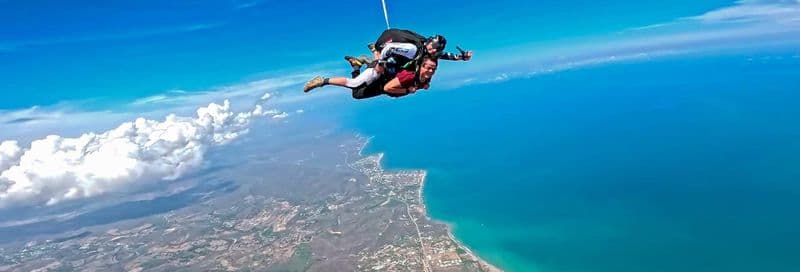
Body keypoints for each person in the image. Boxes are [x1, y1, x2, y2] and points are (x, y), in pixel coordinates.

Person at [303, 55, 438, 100]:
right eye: (428, 68)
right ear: (421, 66)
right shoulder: (409, 76)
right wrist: (408, 90)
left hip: (381, 77)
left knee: (356, 94)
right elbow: (388, 88)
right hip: (380, 78)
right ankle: (322, 81)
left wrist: (423, 86)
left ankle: (357, 65)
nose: (431, 71)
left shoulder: (425, 77)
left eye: (433, 69)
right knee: (354, 84)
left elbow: (420, 83)